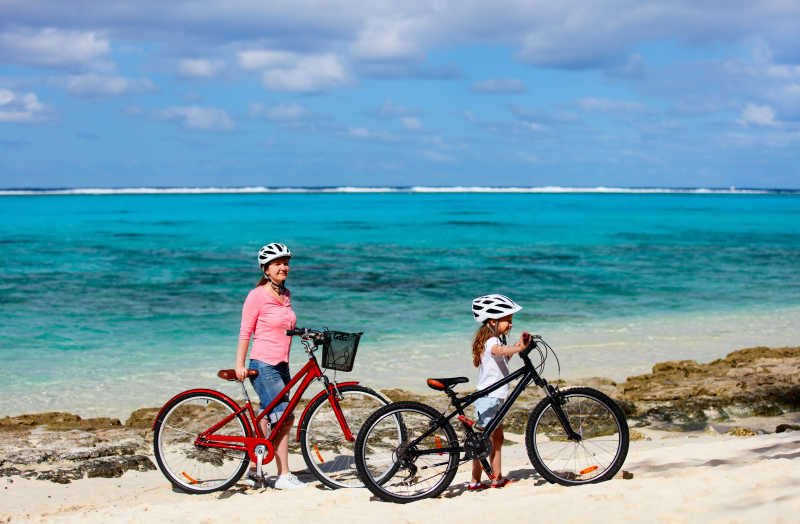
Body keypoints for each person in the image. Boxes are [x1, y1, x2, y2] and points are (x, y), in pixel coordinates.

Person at [235, 242, 306, 490]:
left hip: (282, 364)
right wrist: (239, 365)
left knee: (267, 415)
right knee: (283, 417)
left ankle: (255, 469)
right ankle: (284, 474)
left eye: (285, 263)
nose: (283, 267)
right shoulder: (256, 296)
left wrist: (304, 334)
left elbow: (282, 327)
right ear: (266, 269)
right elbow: (246, 331)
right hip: (263, 365)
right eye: (277, 263)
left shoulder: (286, 295)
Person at [468, 294, 528, 490]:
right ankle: (475, 481)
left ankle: (497, 477)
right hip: (489, 398)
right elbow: (498, 351)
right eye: (507, 321)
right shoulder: (491, 341)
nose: (510, 325)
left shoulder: (494, 340)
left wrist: (518, 348)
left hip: (496, 398)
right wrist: (516, 348)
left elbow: (502, 360)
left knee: (497, 439)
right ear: (493, 321)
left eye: (511, 321)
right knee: (481, 443)